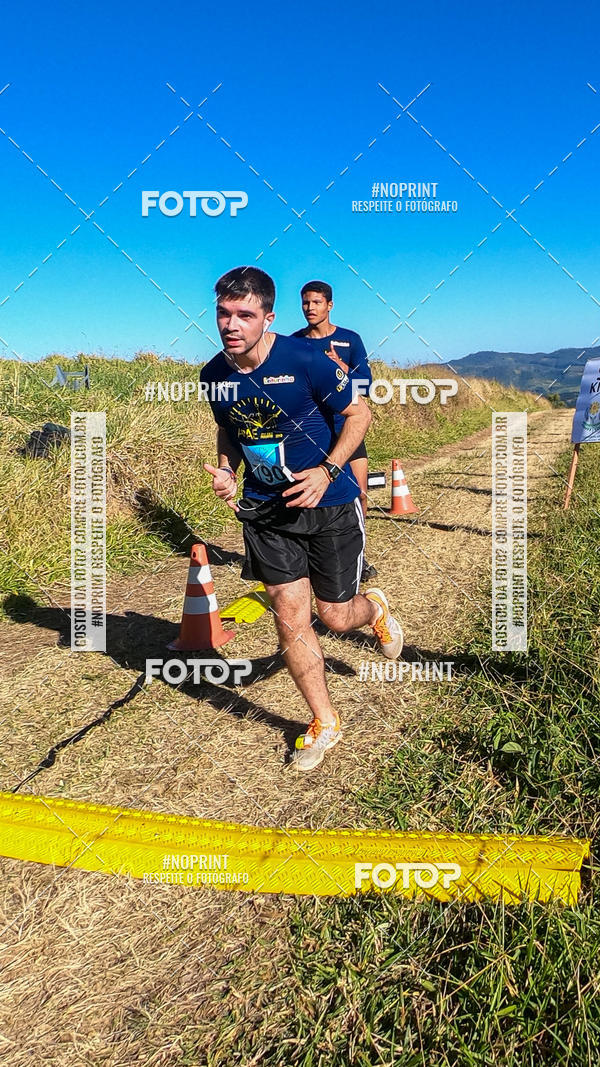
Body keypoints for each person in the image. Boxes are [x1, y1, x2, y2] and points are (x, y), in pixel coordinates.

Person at [201, 266, 403, 772]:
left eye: (244, 314)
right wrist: (228, 472)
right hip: (266, 511)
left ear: (268, 318)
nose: (231, 324)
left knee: (333, 614)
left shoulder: (308, 359)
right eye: (224, 313)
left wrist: (328, 469)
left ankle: (372, 609)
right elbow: (231, 432)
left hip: (329, 502)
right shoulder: (213, 376)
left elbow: (359, 416)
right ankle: (325, 720)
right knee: (290, 618)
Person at [292, 280, 377, 583]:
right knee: (313, 497)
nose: (310, 308)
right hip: (313, 434)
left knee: (361, 494)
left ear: (329, 305)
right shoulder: (294, 343)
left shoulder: (350, 339)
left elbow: (366, 385)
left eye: (316, 302)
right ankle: (310, 558)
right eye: (305, 303)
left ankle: (359, 556)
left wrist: (339, 364)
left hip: (348, 429)